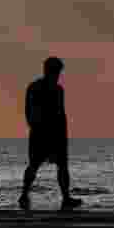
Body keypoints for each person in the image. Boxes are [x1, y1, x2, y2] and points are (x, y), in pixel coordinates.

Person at [19, 56, 83, 211]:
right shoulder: (36, 88)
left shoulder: (58, 89)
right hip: (41, 133)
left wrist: (62, 136)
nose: (57, 74)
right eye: (56, 70)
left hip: (55, 133)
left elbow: (61, 114)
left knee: (61, 166)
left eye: (58, 71)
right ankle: (24, 195)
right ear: (48, 70)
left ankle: (65, 198)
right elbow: (29, 111)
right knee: (35, 165)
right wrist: (36, 127)